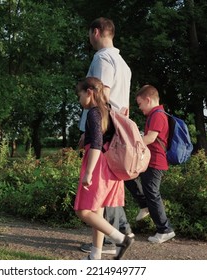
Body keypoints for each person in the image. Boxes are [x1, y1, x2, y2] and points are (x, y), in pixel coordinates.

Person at [78, 17, 133, 256]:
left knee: (89, 204)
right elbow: (126, 109)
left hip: (101, 137)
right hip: (116, 137)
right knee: (101, 202)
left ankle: (119, 238)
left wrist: (89, 131)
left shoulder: (102, 58)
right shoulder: (123, 64)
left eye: (90, 34)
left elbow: (103, 95)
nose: (89, 39)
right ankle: (96, 252)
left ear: (97, 32)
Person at [74, 77, 134, 260]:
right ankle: (95, 256)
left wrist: (89, 173)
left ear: (89, 92)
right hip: (109, 165)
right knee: (97, 210)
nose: (79, 99)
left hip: (97, 164)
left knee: (82, 210)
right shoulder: (107, 109)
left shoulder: (93, 113)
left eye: (80, 95)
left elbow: (96, 144)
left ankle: (120, 239)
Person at [125, 85, 175, 243]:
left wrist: (131, 145)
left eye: (139, 104)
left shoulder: (158, 115)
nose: (139, 108)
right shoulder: (155, 115)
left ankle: (165, 229)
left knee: (153, 194)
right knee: (128, 175)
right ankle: (144, 205)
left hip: (155, 162)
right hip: (149, 160)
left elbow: (150, 138)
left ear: (148, 100)